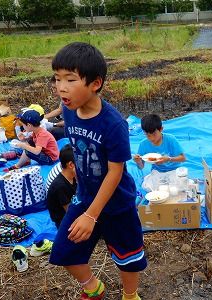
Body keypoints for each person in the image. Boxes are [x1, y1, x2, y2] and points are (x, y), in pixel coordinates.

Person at [49, 42, 146, 300]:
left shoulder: (113, 125)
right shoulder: (70, 112)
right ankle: (94, 288)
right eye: (57, 78)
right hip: (85, 196)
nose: (61, 87)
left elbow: (115, 172)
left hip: (116, 202)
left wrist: (91, 217)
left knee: (128, 256)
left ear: (95, 84)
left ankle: (130, 295)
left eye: (70, 79)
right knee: (63, 251)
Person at [46, 144, 76, 229]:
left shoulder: (72, 177)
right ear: (71, 165)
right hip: (64, 220)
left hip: (72, 208)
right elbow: (70, 213)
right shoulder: (60, 186)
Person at [44, 76, 66, 140]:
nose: (53, 91)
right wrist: (44, 117)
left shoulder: (73, 100)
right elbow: (59, 110)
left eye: (54, 88)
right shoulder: (64, 97)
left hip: (74, 127)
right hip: (65, 121)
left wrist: (54, 125)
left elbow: (72, 122)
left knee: (52, 131)